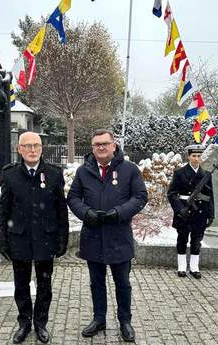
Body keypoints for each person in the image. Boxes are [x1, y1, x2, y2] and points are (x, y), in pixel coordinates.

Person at [67, 129, 148, 343]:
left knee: (123, 282)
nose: (101, 148)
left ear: (114, 145)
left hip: (119, 235)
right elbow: (73, 197)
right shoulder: (83, 171)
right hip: (93, 236)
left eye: (105, 144)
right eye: (96, 145)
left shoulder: (129, 169)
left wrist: (120, 212)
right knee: (96, 282)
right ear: (92, 148)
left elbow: (140, 196)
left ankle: (125, 321)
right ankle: (99, 318)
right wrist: (86, 213)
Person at [0, 131, 69, 344]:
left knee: (45, 286)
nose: (32, 150)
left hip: (46, 239)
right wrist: (3, 240)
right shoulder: (10, 175)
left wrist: (62, 239)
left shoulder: (54, 174)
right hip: (19, 239)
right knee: (21, 285)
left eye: (36, 145)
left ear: (41, 148)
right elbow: (4, 211)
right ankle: (24, 323)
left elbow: (61, 210)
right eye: (27, 146)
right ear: (19, 149)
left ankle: (40, 323)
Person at [167, 144, 214, 279]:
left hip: (200, 212)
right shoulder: (179, 173)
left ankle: (194, 267)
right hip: (184, 211)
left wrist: (211, 214)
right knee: (182, 238)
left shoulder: (205, 175)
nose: (196, 159)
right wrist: (179, 209)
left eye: (199, 156)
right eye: (194, 156)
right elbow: (171, 194)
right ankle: (182, 267)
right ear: (188, 156)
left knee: (196, 240)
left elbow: (210, 196)